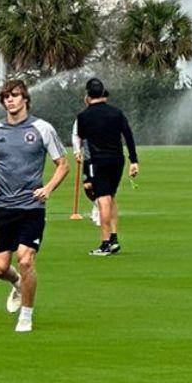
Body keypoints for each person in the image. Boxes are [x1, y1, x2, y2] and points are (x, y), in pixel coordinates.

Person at [0, 79, 69, 333]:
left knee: (26, 259)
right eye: (6, 96)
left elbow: (63, 163)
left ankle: (26, 315)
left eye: (15, 95)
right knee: (0, 268)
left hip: (32, 208)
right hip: (3, 207)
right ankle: (16, 283)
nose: (10, 100)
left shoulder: (42, 128)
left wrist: (48, 188)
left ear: (25, 98)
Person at [74, 78, 139, 256]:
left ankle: (105, 243)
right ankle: (114, 237)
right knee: (111, 196)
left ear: (87, 95)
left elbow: (85, 144)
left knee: (103, 198)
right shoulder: (116, 113)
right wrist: (134, 161)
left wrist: (87, 173)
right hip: (117, 160)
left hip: (98, 161)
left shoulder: (83, 116)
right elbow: (128, 136)